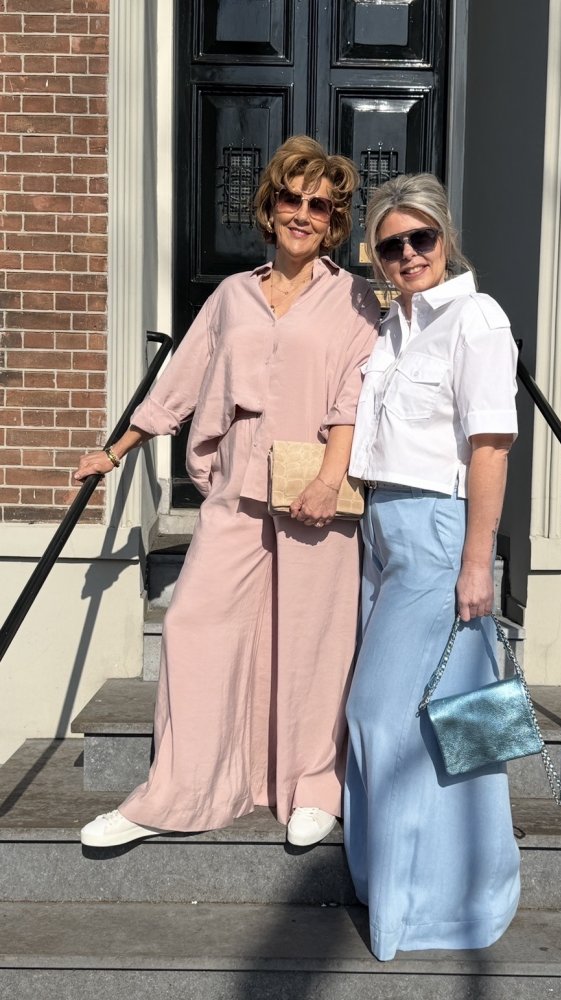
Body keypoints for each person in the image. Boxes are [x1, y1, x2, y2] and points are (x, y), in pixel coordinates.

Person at [76, 135, 380, 849]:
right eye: (291, 199)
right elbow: (180, 380)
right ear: (269, 208)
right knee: (194, 624)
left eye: (320, 206)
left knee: (311, 640)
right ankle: (179, 791)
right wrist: (116, 451)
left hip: (315, 492)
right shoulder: (232, 295)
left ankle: (312, 786)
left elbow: (354, 398)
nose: (302, 214)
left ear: (334, 222)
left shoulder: (355, 299)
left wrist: (329, 480)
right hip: (237, 485)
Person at [345, 173, 520, 960]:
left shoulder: (476, 319)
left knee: (379, 716)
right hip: (384, 529)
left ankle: (418, 910)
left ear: (446, 237)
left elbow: (490, 448)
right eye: (391, 245)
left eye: (421, 238)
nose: (408, 254)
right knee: (457, 718)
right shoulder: (394, 326)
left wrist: (477, 562)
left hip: (439, 534)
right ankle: (456, 896)